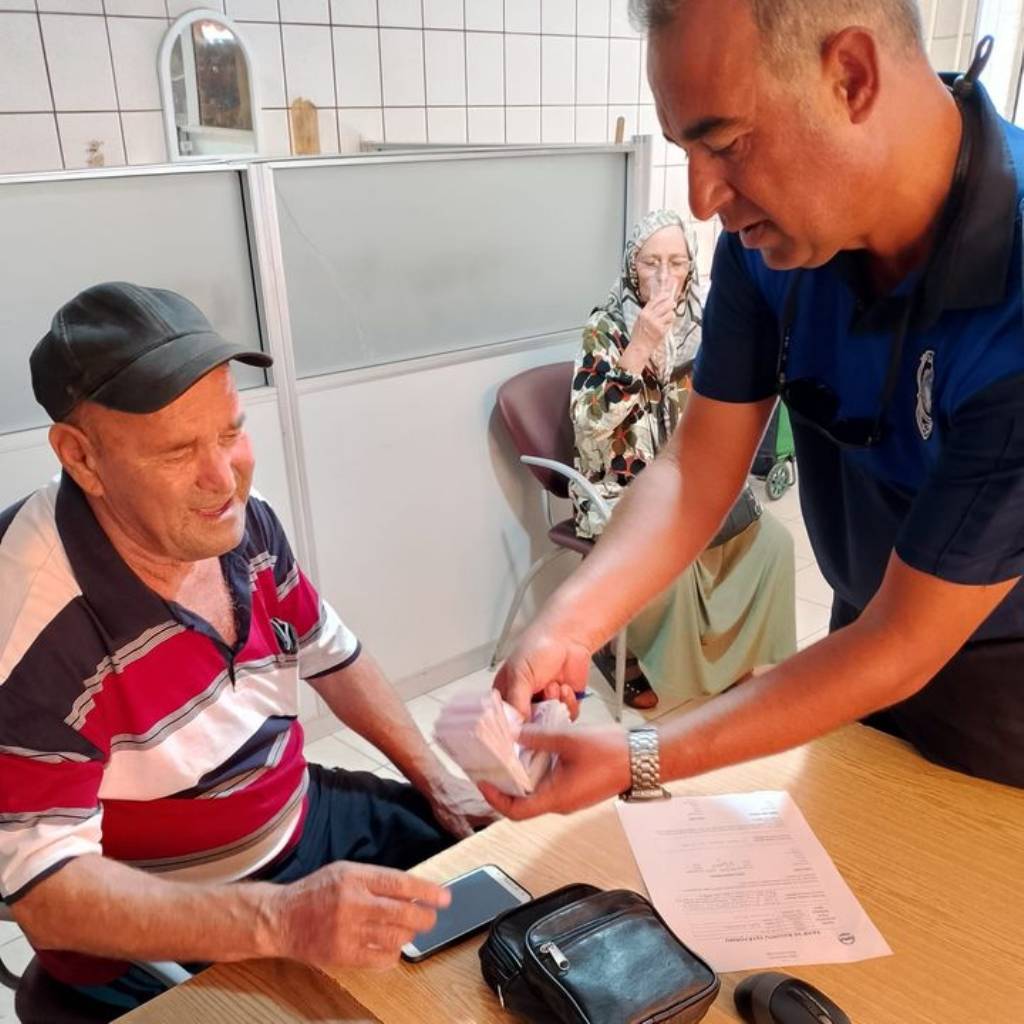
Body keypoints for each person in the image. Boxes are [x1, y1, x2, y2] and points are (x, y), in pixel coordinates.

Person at [483, 0, 1024, 822]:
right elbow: (698, 467)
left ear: (850, 76)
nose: (704, 201)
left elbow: (906, 642)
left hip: (1003, 699)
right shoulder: (777, 244)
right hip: (865, 637)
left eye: (727, 143)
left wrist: (641, 753)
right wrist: (570, 620)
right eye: (688, 152)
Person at [0, 282, 491, 1016]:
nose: (223, 478)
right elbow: (46, 888)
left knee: (494, 900)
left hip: (295, 818)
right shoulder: (31, 621)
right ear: (82, 458)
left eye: (230, 432)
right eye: (177, 453)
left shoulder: (242, 526)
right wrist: (280, 921)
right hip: (159, 916)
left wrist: (437, 779)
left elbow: (332, 653)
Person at [570, 208, 795, 709]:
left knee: (772, 543)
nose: (664, 276)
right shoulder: (604, 328)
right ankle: (630, 655)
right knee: (674, 548)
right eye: (651, 262)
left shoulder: (704, 323)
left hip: (686, 479)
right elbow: (588, 428)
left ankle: (730, 659)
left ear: (692, 267)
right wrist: (640, 346)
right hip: (618, 484)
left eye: (676, 261)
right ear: (632, 267)